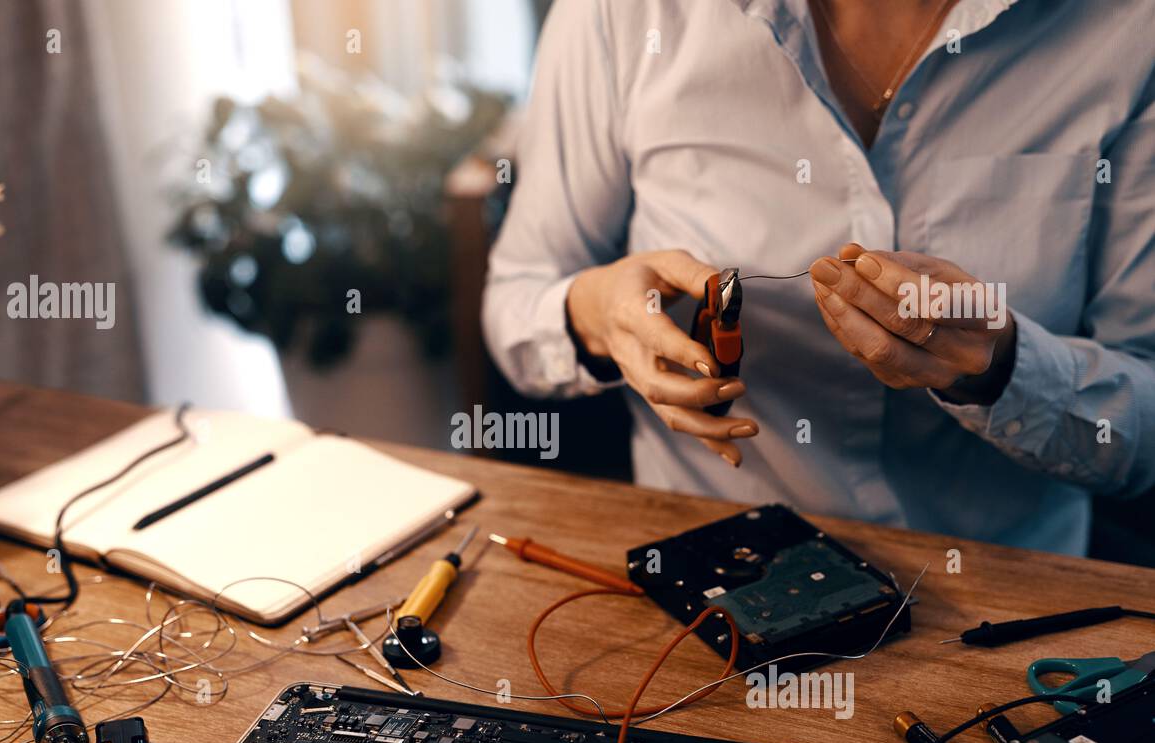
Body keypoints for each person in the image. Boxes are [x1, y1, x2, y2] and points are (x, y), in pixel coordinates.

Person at [482, 0, 1155, 554]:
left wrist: (1005, 368)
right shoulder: (623, 13)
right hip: (712, 581)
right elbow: (517, 300)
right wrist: (595, 313)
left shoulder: (1129, 28)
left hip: (1011, 604)